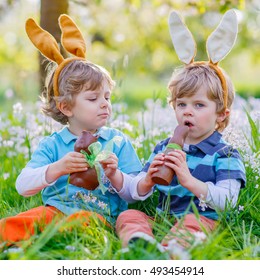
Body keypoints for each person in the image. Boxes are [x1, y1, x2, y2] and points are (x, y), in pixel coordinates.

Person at [0, 15, 142, 245]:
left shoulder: (116, 141)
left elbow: (136, 194)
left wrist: (116, 175)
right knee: (22, 221)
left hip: (98, 216)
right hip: (54, 211)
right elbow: (22, 185)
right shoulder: (53, 145)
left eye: (107, 96)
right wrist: (57, 168)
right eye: (93, 98)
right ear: (66, 107)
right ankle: (12, 241)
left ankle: (48, 240)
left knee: (80, 221)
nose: (105, 103)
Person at [115, 10, 246, 257]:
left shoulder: (226, 154)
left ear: (221, 115)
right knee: (129, 215)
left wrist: (188, 180)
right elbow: (135, 194)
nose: (188, 112)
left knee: (191, 225)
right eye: (181, 104)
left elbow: (228, 201)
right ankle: (138, 243)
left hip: (202, 221)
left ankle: (168, 253)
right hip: (164, 219)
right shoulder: (164, 147)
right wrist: (146, 181)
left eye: (199, 105)